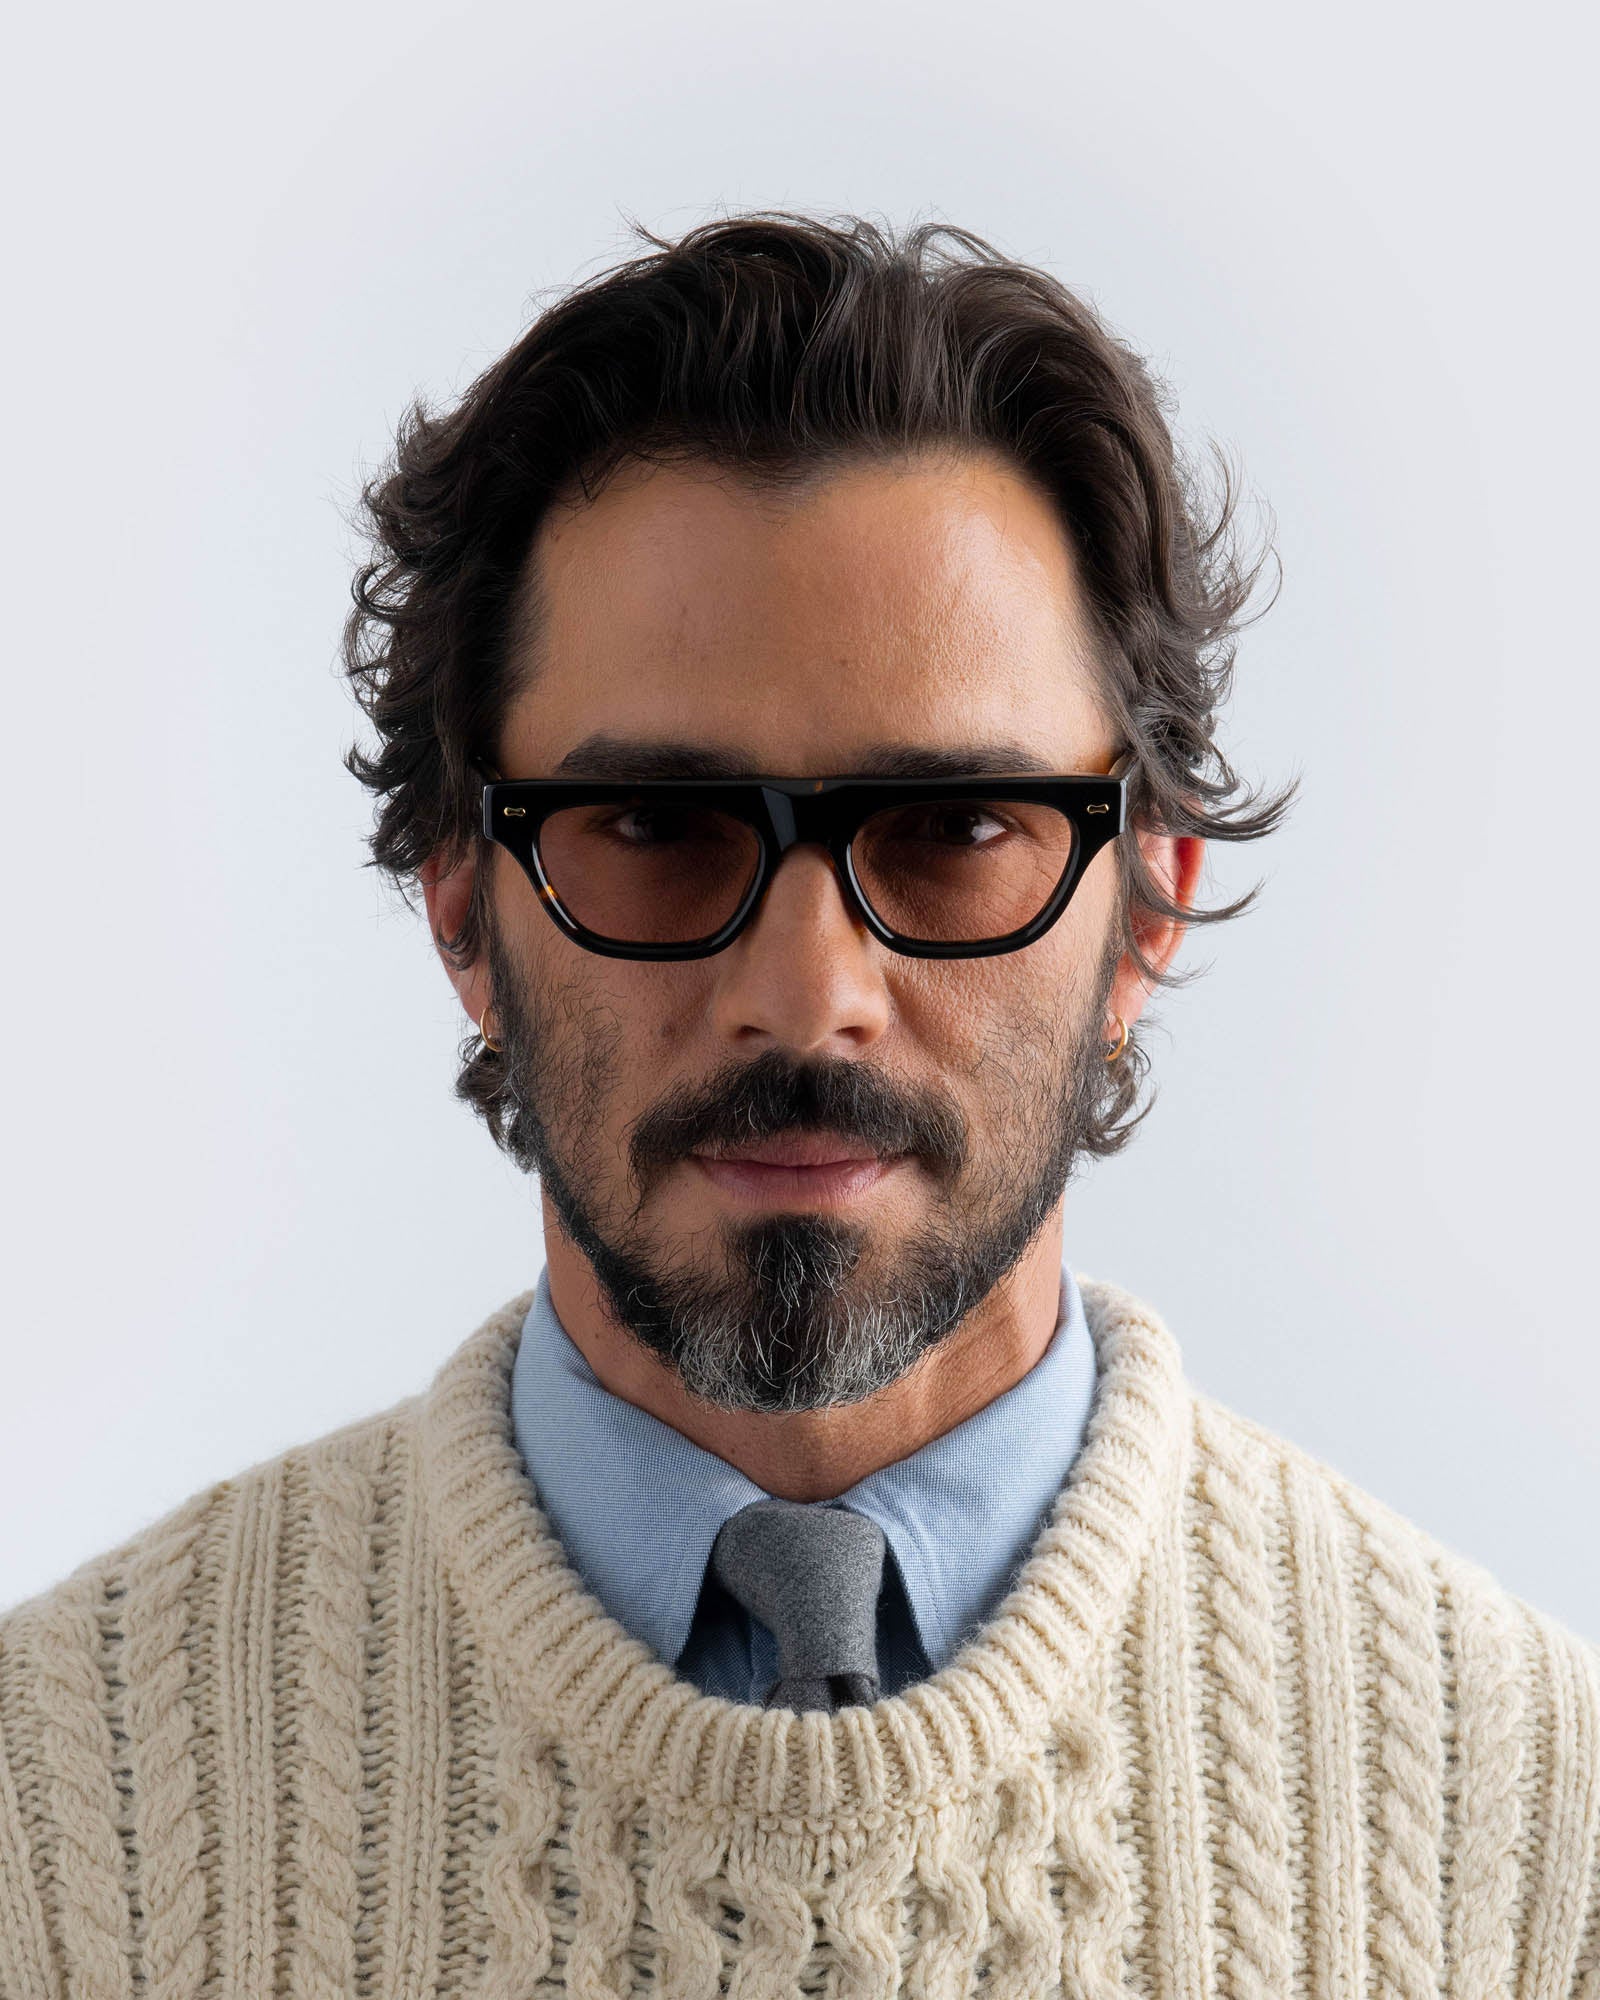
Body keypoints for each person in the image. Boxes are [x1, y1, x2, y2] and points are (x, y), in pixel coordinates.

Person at [2, 211, 1595, 2000]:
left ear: (1147, 909)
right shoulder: (59, 1820)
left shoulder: (1541, 1834)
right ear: (462, 903)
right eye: (660, 832)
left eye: (959, 831)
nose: (805, 993)